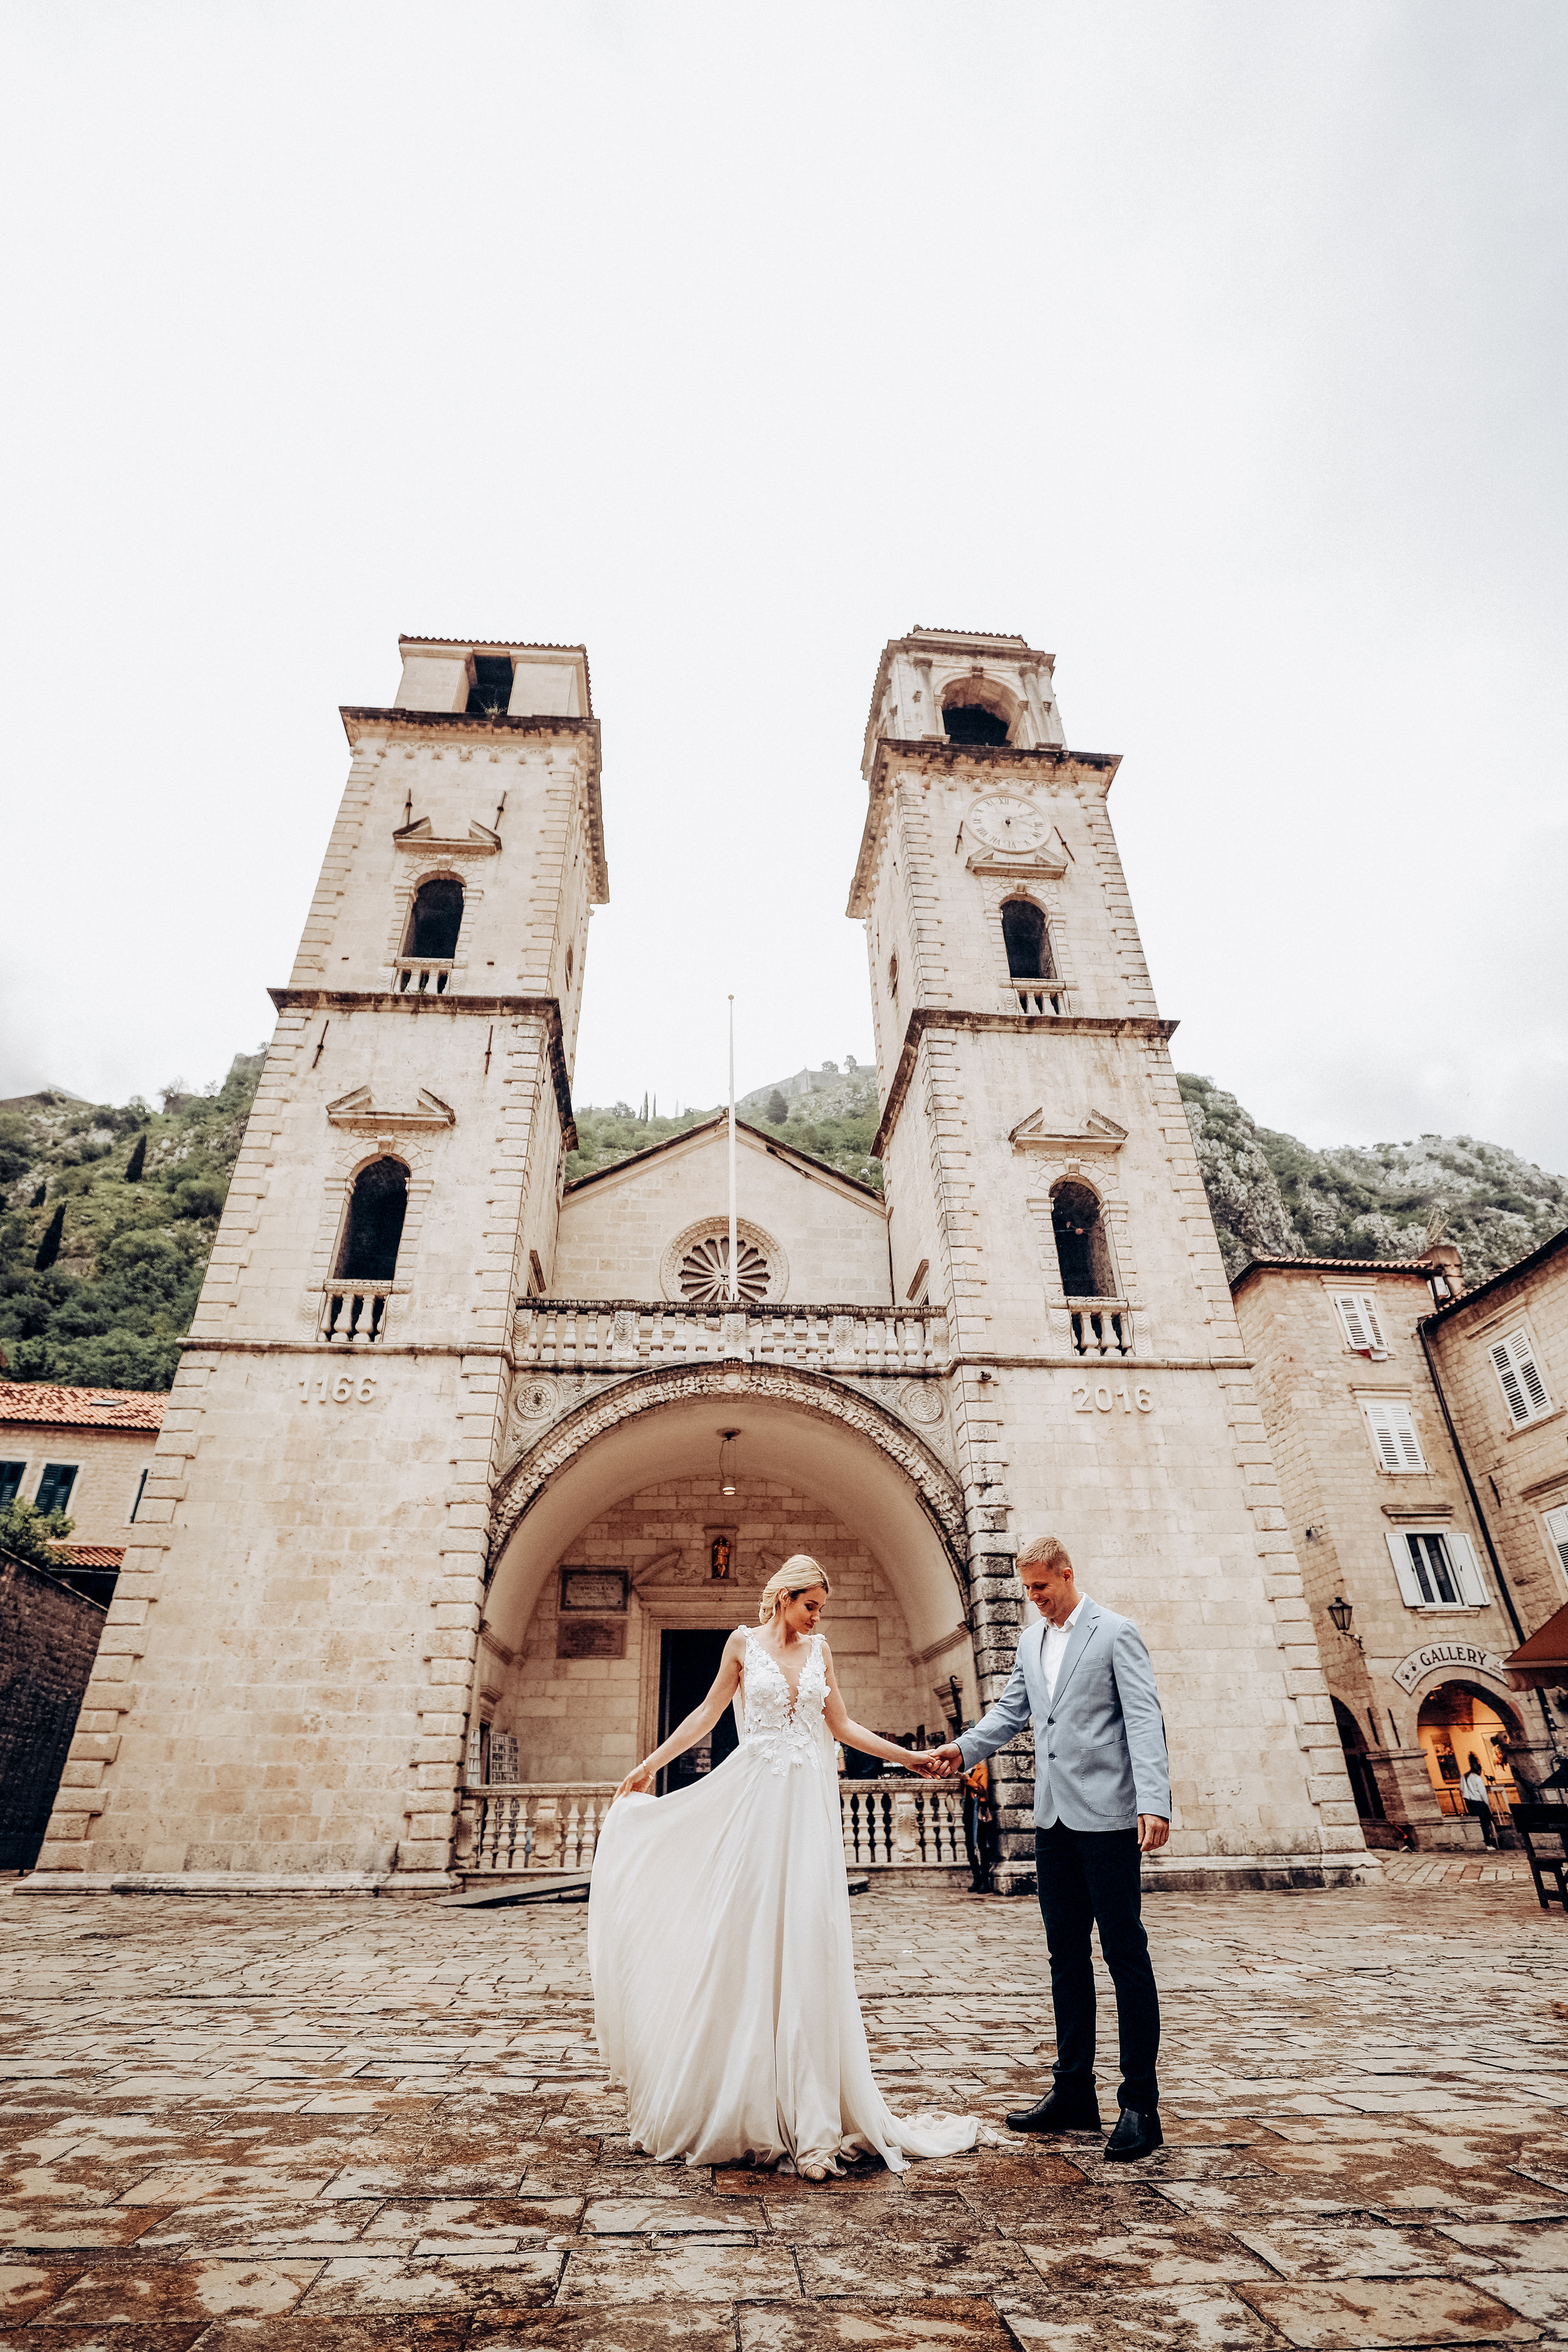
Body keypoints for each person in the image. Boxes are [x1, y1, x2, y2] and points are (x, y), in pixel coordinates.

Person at [588, 1556, 978, 2180]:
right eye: (809, 1605)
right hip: (756, 1803)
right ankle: (743, 2103)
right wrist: (649, 1765)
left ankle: (813, 2118)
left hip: (808, 1814)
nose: (816, 1617)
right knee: (744, 1938)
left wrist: (909, 1757)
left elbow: (843, 1726)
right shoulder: (742, 1644)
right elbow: (707, 1716)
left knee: (807, 1940)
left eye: (820, 1607)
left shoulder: (822, 1651)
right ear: (783, 1599)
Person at [928, 1534, 1170, 2162]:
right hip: (1054, 1820)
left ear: (1065, 1575)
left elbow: (1143, 1719)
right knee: (1065, 1957)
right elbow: (1010, 1714)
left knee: (1124, 1953)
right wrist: (963, 1750)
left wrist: (1154, 1800)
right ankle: (1073, 2092)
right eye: (1027, 1589)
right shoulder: (1031, 1642)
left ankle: (1140, 2104)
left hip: (1111, 1817)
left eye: (1040, 1587)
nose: (1033, 1599)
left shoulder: (1116, 1632)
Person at [1460, 1753, 1497, 1847]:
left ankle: (1483, 1841)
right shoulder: (1477, 1778)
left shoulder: (1464, 1777)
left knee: (1477, 1822)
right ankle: (1488, 1842)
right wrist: (1488, 1805)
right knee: (1485, 1823)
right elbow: (1483, 1793)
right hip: (1479, 1803)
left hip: (1469, 1802)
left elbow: (1462, 1789)